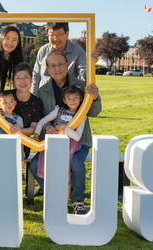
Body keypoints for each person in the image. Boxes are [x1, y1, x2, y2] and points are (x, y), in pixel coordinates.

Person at [30, 50, 102, 215]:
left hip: (78, 140)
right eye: (53, 65)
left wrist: (95, 98)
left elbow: (94, 112)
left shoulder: (81, 85)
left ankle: (77, 201)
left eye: (60, 64)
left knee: (76, 164)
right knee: (34, 165)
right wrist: (47, 127)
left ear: (67, 64)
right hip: (54, 141)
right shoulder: (42, 91)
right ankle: (56, 192)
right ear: (47, 68)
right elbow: (41, 117)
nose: (57, 69)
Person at [33, 85, 86, 199]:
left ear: (80, 99)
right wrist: (36, 134)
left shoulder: (81, 115)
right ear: (64, 100)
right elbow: (43, 121)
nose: (72, 101)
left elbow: (77, 137)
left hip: (69, 146)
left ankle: (64, 203)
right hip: (54, 143)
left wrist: (64, 128)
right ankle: (52, 193)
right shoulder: (58, 110)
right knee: (48, 167)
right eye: (69, 98)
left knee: (64, 173)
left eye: (75, 98)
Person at [31, 22, 86, 95]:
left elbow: (84, 75)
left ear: (67, 34)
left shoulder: (78, 52)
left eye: (59, 34)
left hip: (67, 99)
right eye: (51, 34)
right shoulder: (43, 51)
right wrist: (34, 97)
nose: (55, 38)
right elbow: (36, 76)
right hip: (44, 99)